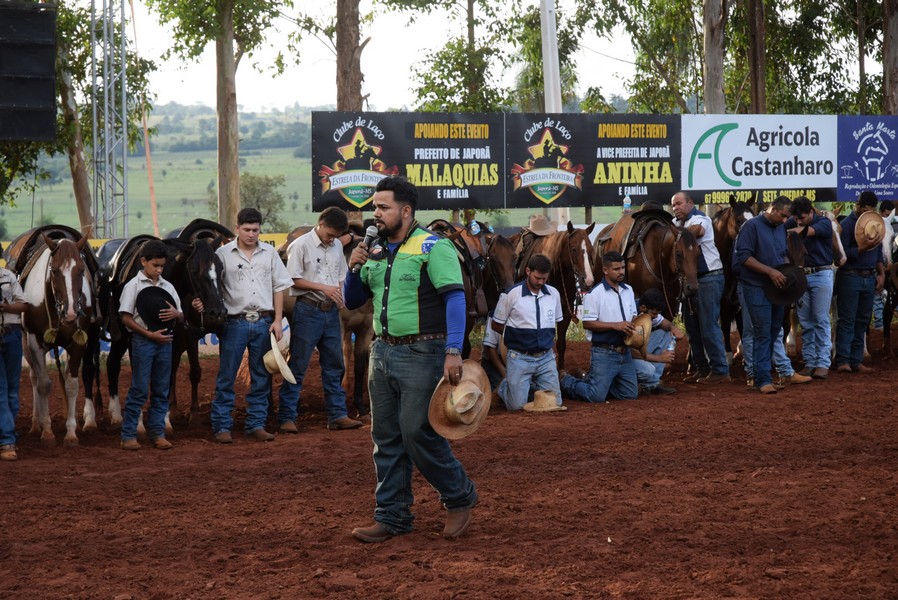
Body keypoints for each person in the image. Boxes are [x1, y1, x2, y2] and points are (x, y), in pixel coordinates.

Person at [344, 175, 477, 543]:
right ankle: (392, 516)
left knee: (418, 432)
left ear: (406, 210)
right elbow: (352, 300)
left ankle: (459, 496)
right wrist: (353, 267)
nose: (376, 214)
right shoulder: (372, 250)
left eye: (383, 207)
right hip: (382, 350)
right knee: (385, 436)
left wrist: (453, 350)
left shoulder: (433, 247)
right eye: (374, 207)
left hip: (423, 351)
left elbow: (455, 298)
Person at [211, 207, 293, 444]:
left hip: (264, 321)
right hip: (234, 322)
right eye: (246, 229)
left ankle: (256, 424)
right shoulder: (223, 254)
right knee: (227, 376)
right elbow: (213, 286)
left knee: (261, 376)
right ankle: (222, 426)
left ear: (260, 229)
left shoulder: (269, 253)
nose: (251, 234)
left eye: (255, 230)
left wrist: (278, 320)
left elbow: (279, 286)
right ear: (237, 228)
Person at [278, 207, 363, 433]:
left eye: (336, 236)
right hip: (307, 310)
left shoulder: (336, 245)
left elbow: (342, 276)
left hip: (330, 312)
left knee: (334, 365)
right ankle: (287, 416)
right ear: (321, 224)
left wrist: (342, 296)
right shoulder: (301, 245)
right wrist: (324, 288)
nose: (333, 239)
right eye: (330, 234)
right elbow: (292, 280)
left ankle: (337, 415)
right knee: (298, 363)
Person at [118, 240, 194, 451]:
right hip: (144, 341)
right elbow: (125, 317)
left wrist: (177, 314)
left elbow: (180, 315)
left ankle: (157, 433)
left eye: (162, 266)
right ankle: (128, 435)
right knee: (140, 389)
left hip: (165, 341)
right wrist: (149, 334)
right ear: (144, 262)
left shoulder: (167, 286)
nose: (159, 270)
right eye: (155, 266)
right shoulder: (133, 286)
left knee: (162, 389)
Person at [559, 251, 640, 402]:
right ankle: (566, 380)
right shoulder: (594, 294)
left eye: (622, 268)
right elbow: (587, 323)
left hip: (625, 353)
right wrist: (615, 325)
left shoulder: (628, 290)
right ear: (605, 270)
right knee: (595, 396)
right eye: (616, 269)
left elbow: (633, 315)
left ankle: (599, 384)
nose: (621, 272)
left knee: (630, 394)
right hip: (604, 352)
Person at [733, 196, 793, 394]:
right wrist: (770, 271)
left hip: (776, 286)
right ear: (773, 209)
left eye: (787, 217)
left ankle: (763, 375)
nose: (785, 220)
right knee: (762, 331)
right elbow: (744, 257)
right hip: (756, 285)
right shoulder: (751, 226)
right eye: (783, 215)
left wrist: (785, 271)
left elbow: (783, 253)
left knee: (775, 330)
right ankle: (763, 379)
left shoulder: (780, 227)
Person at [670, 191, 730, 384]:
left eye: (679, 203)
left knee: (708, 325)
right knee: (692, 327)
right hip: (690, 280)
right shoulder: (675, 223)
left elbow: (697, 231)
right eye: (673, 205)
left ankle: (720, 370)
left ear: (690, 203)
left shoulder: (700, 218)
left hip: (709, 277)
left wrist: (675, 234)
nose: (676, 208)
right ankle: (702, 368)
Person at [491, 254, 564, 411]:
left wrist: (551, 350)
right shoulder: (511, 294)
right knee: (517, 407)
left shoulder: (554, 294)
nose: (540, 282)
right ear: (528, 271)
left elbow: (555, 323)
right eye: (537, 277)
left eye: (544, 278)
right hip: (519, 358)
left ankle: (523, 385)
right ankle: (506, 386)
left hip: (545, 358)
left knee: (555, 403)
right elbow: (496, 325)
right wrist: (517, 337)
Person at [785, 196, 836, 379]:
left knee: (820, 318)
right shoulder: (794, 220)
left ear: (811, 213)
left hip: (822, 274)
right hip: (802, 275)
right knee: (805, 321)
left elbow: (806, 231)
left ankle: (823, 363)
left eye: (802, 218)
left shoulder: (823, 223)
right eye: (797, 218)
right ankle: (810, 362)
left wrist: (793, 229)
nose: (799, 221)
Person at [835, 191, 885, 373]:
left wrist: (882, 274)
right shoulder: (846, 226)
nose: (865, 213)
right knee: (847, 319)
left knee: (863, 320)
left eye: (869, 210)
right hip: (850, 275)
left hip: (869, 276)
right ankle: (842, 360)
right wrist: (862, 248)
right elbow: (841, 254)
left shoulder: (875, 223)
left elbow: (878, 252)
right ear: (858, 205)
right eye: (863, 209)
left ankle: (856, 359)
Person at [0, 256, 27, 462]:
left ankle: (7, 431)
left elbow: (23, 305)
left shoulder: (8, 276)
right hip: (10, 335)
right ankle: (7, 439)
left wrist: (5, 307)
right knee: (2, 390)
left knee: (12, 392)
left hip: (12, 334)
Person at [632, 288, 684, 396]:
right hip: (624, 356)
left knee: (665, 332)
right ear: (643, 308)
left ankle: (652, 383)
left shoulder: (648, 311)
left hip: (636, 350)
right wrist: (660, 358)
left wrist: (674, 328)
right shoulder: (631, 315)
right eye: (654, 313)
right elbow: (631, 352)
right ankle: (649, 382)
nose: (655, 316)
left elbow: (665, 323)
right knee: (648, 370)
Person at [872, 200, 896, 329]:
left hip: (889, 264)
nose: (886, 217)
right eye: (885, 215)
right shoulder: (874, 224)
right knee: (877, 293)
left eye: (888, 215)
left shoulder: (892, 227)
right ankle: (879, 325)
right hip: (876, 264)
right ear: (880, 212)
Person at [480, 311, 505, 391]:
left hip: (518, 362)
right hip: (495, 362)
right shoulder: (494, 315)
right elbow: (491, 348)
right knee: (497, 389)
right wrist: (504, 373)